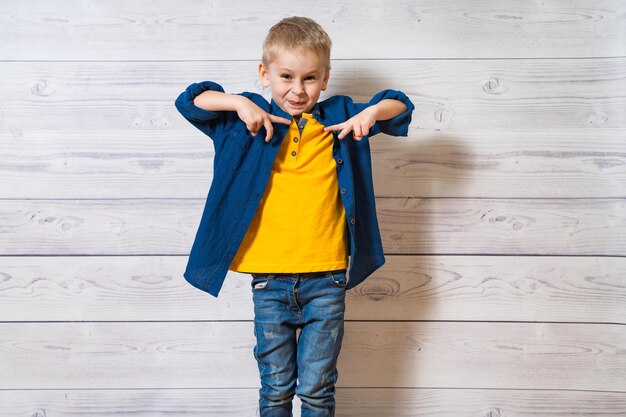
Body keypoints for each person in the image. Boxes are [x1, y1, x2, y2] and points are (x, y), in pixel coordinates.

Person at [174, 16, 414, 417]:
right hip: (269, 280)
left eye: (310, 78)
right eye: (286, 77)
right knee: (275, 389)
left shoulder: (340, 117)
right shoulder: (245, 122)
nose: (297, 90)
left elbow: (401, 105)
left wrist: (370, 114)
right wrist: (238, 102)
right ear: (264, 74)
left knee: (318, 390)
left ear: (325, 78)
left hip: (328, 278)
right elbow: (191, 100)